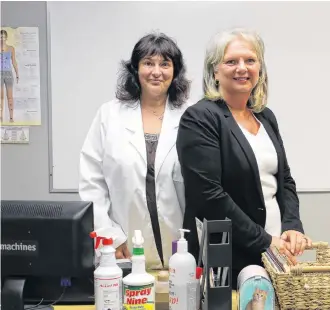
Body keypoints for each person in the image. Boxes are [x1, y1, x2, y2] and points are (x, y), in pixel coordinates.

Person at [176, 28, 312, 288]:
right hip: (227, 258)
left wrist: (292, 226)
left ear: (259, 68)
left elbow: (284, 180)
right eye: (231, 61)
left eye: (250, 60)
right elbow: (208, 196)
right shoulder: (200, 118)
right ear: (214, 71)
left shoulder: (265, 116)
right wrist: (264, 240)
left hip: (276, 253)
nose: (242, 68)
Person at [79, 32, 191, 270]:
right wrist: (110, 236)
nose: (156, 71)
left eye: (165, 64)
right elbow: (92, 185)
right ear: (136, 69)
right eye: (148, 63)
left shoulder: (191, 117)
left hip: (181, 247)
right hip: (123, 246)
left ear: (175, 71)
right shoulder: (109, 115)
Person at [1, 29, 19, 123]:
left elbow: (14, 62)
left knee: (10, 97)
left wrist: (17, 74)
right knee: (1, 97)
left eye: (4, 37)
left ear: (6, 38)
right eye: (0, 37)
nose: (2, 39)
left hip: (8, 73)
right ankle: (0, 116)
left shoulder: (11, 48)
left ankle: (11, 117)